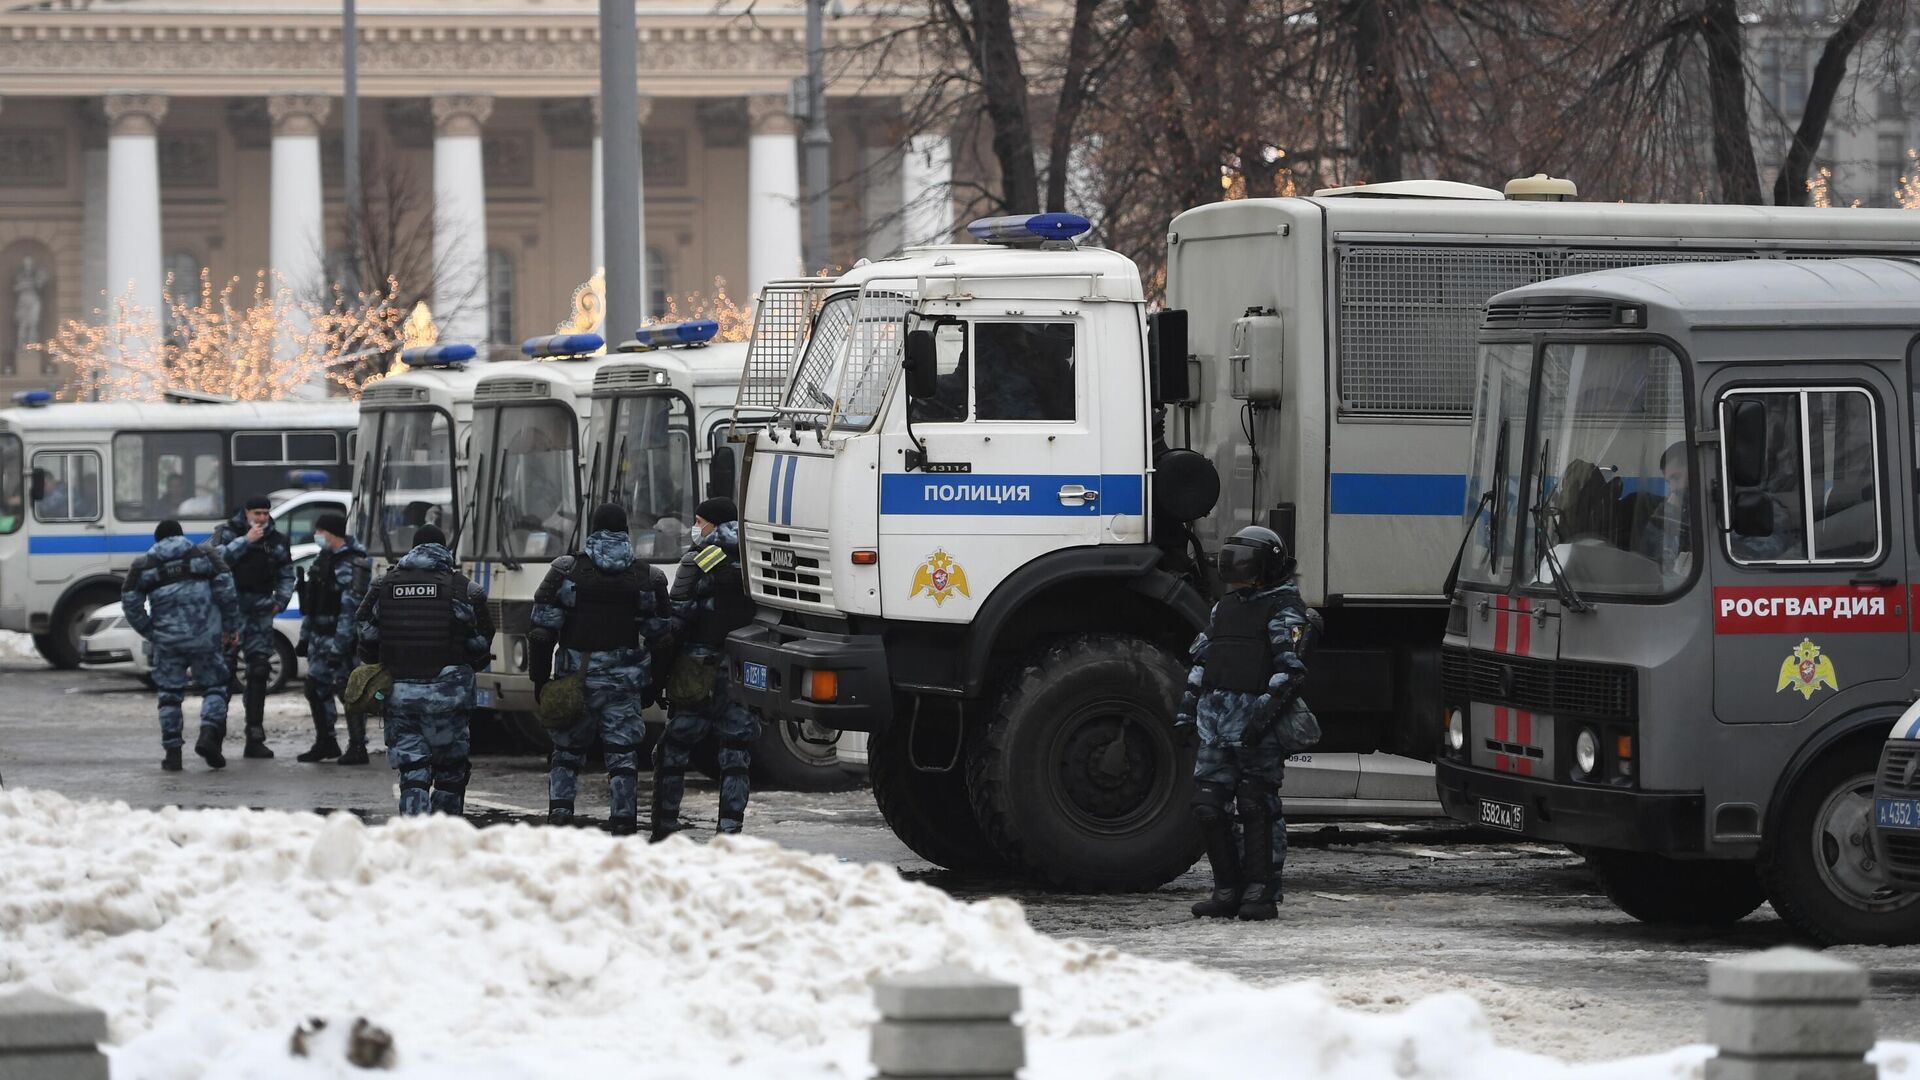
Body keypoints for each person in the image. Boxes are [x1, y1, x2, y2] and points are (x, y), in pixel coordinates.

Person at [1173, 525, 1317, 921]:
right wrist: (1187, 710)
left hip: (1256, 729)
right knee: (1207, 806)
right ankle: (1227, 890)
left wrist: (1262, 719)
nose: (1240, 576)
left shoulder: (1285, 609)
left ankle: (1260, 893)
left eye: (1247, 567)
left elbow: (1290, 672)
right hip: (1216, 726)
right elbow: (1203, 660)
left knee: (1257, 806)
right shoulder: (1226, 607)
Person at [529, 503, 673, 834]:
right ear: (626, 532)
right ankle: (623, 822)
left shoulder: (566, 572)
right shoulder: (648, 578)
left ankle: (560, 819)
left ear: (592, 530)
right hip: (624, 686)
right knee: (622, 757)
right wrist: (655, 684)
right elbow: (662, 639)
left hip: (574, 682)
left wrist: (540, 680)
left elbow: (540, 632)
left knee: (566, 754)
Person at [354, 523, 493, 816]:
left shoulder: (384, 585)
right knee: (450, 774)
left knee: (412, 771)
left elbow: (365, 634)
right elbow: (482, 643)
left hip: (401, 696)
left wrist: (378, 663)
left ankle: (413, 835)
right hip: (449, 699)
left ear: (413, 549)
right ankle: (444, 837)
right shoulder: (463, 588)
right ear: (444, 549)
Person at [651, 496, 761, 842]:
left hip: (696, 672)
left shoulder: (697, 561)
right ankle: (730, 832)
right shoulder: (755, 559)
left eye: (698, 522)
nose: (695, 529)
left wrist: (657, 678)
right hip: (745, 671)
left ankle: (665, 828)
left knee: (671, 751)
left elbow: (676, 623)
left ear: (712, 523)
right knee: (736, 755)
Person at [121, 520, 242, 770]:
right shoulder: (204, 554)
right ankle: (208, 734)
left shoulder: (143, 564)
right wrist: (230, 626)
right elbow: (226, 589)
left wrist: (150, 631)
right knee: (215, 687)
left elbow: (129, 602)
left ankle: (173, 754)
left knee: (169, 696)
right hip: (205, 635)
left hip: (167, 640)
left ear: (158, 540)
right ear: (180, 535)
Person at [213, 495, 294, 758]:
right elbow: (216, 562)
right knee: (223, 673)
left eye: (265, 514)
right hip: (231, 612)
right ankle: (214, 737)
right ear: (246, 512)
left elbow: (285, 572)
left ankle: (255, 736)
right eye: (257, 513)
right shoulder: (228, 533)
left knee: (259, 671)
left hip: (260, 612)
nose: (261, 518)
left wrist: (280, 601)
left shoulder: (276, 540)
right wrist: (244, 542)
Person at [295, 512, 372, 765]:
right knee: (314, 689)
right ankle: (326, 742)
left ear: (330, 532)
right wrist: (305, 638)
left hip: (341, 640)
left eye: (319, 531)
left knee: (348, 692)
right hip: (319, 637)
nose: (317, 536)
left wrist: (339, 647)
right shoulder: (323, 559)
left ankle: (358, 746)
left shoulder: (353, 563)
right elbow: (313, 604)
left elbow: (350, 611)